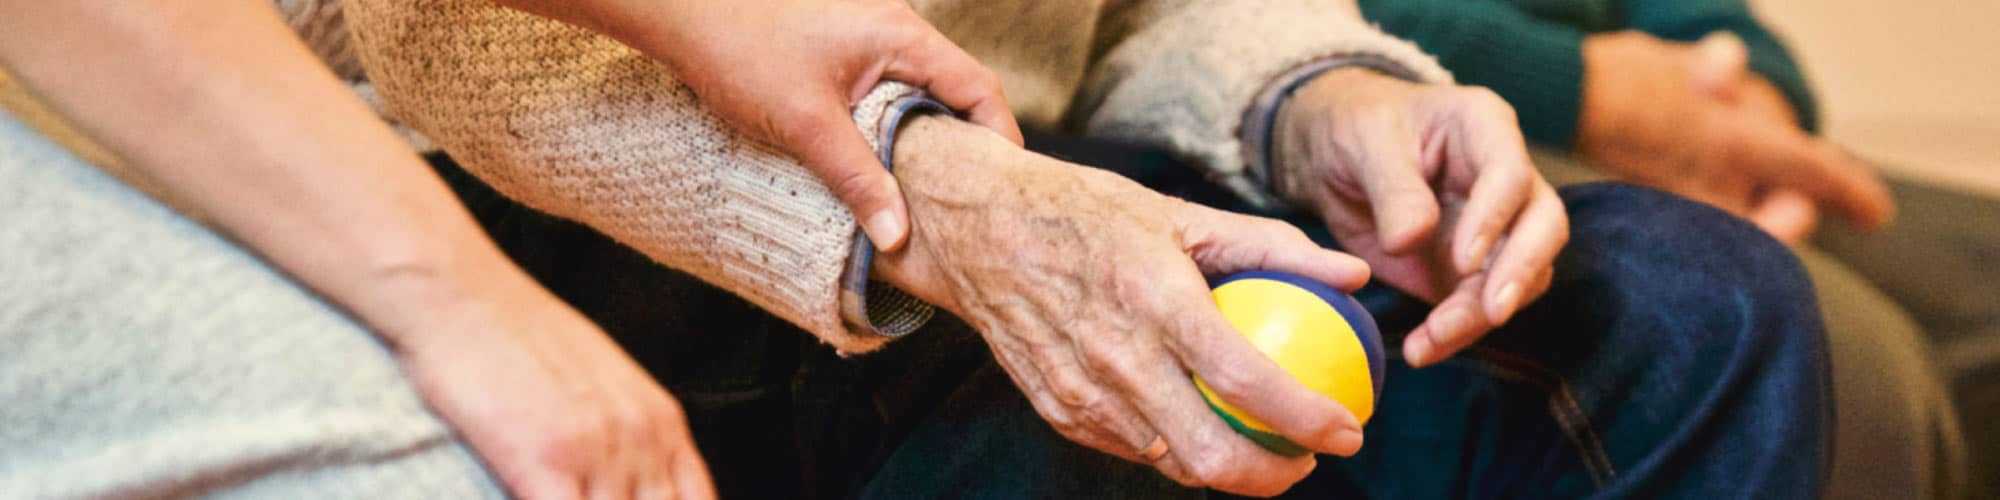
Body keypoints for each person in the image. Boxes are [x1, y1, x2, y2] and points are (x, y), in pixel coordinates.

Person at [2, 1, 1826, 499]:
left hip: (1047, 172)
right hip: (671, 254)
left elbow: (1115, 10)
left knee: (1698, 313)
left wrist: (1318, 95)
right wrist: (917, 193)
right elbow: (420, 34)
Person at [1353, 0, 1986, 496]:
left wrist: (1758, 93)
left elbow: (1704, 15)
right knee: (1839, 360)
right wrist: (1581, 91)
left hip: (1677, 97)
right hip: (1415, 100)